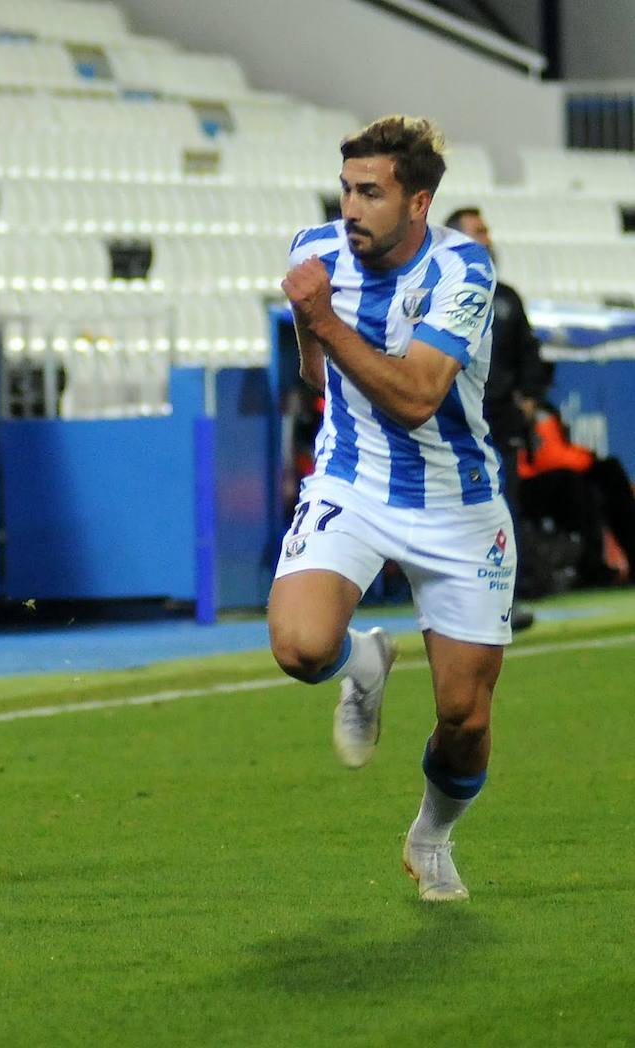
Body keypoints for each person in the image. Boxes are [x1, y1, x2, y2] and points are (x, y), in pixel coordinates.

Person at [269, 116, 513, 903]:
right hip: (352, 481)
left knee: (465, 718)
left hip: (458, 504)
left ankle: (432, 836)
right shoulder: (316, 249)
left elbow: (416, 396)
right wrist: (313, 322)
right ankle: (364, 662)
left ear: (418, 202)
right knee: (301, 647)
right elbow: (317, 375)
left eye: (370, 192)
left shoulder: (461, 270)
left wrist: (328, 318)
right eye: (346, 188)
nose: (351, 206)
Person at [444, 207, 544, 627]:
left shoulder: (506, 298)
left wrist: (528, 401)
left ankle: (505, 598)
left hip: (500, 421)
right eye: (478, 232)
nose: (487, 238)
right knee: (456, 511)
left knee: (503, 507)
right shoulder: (441, 295)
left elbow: (530, 355)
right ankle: (457, 601)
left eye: (486, 231)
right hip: (454, 425)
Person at [516, 399, 635, 586]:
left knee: (610, 471)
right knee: (574, 483)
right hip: (525, 484)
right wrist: (587, 460)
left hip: (558, 473)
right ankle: (590, 567)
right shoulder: (509, 410)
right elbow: (548, 458)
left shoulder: (545, 408)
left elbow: (559, 451)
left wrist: (588, 459)